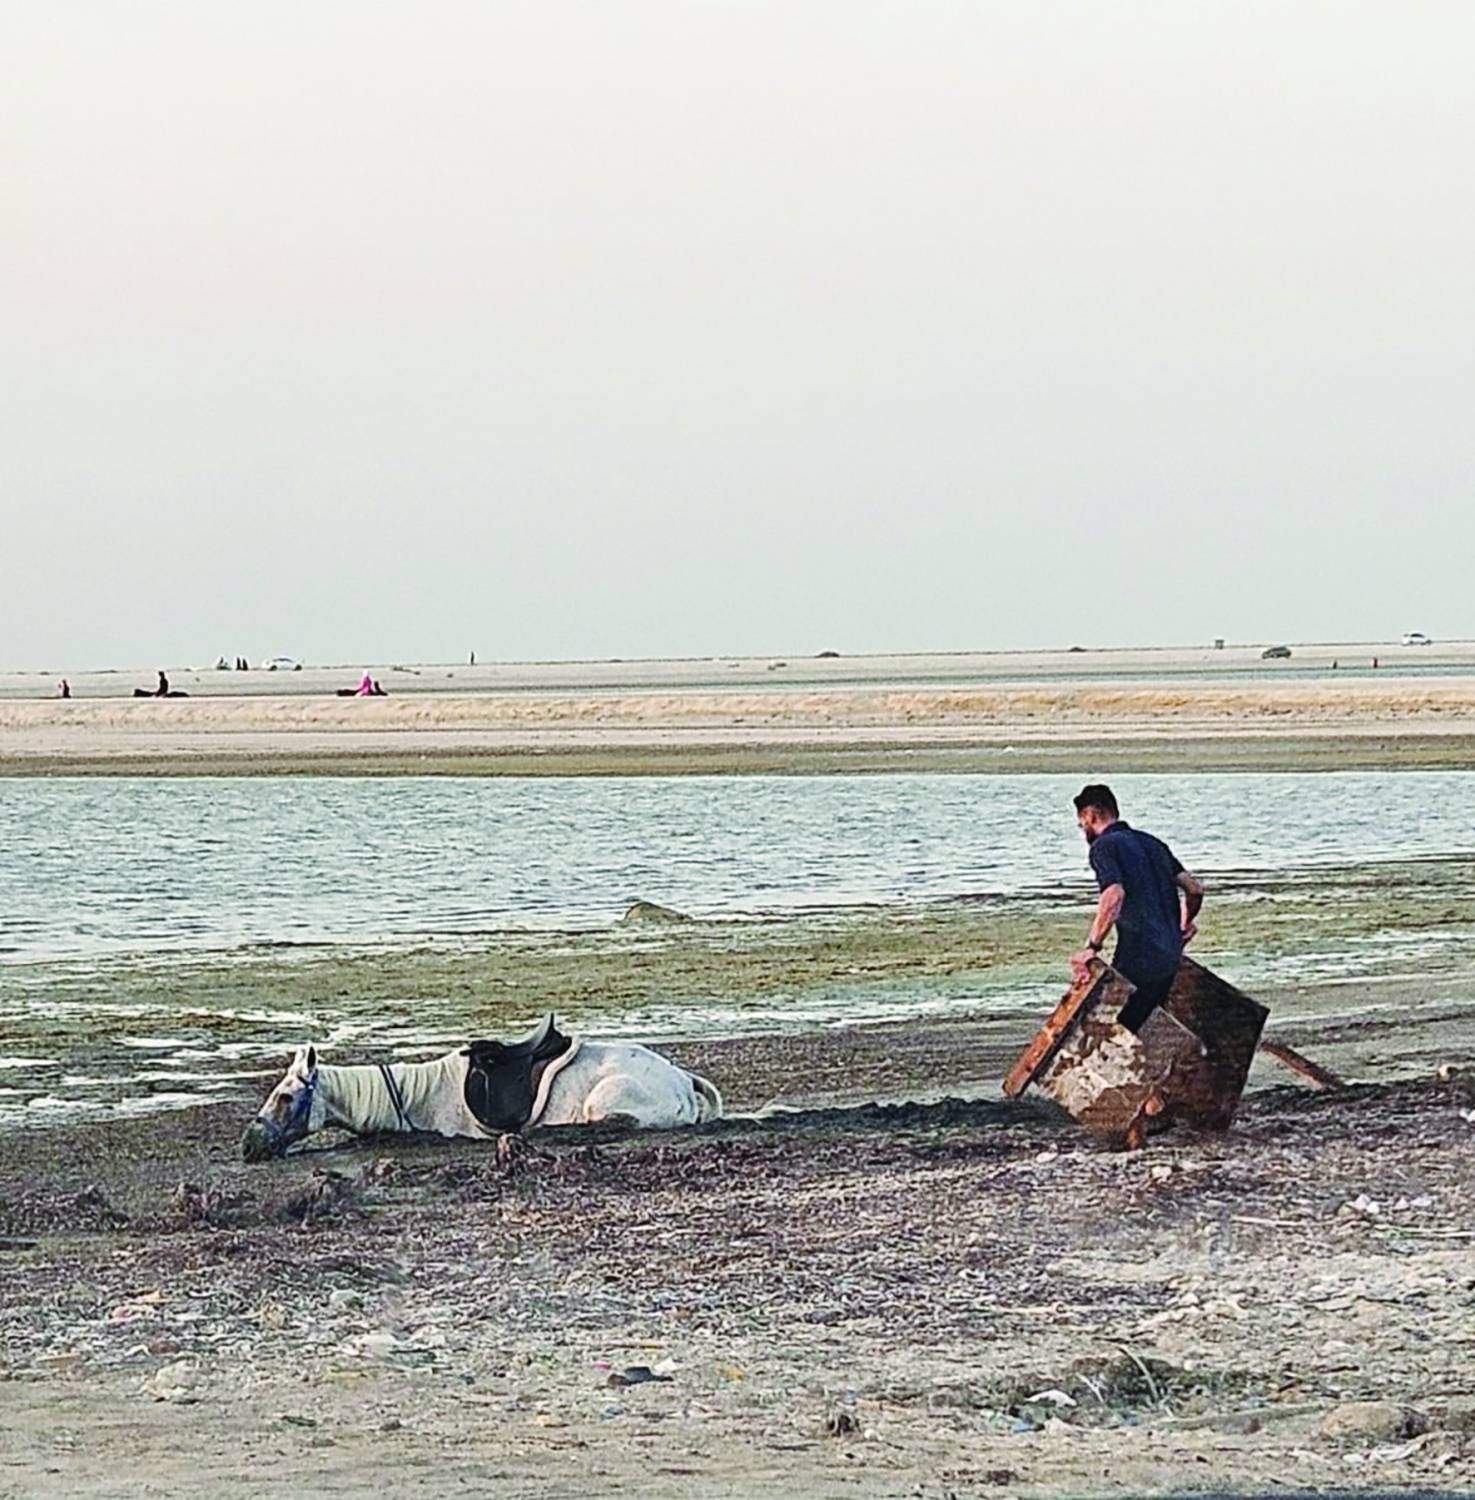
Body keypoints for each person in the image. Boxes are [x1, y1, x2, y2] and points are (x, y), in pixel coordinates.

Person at [1069, 784, 1204, 1033]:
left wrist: (1092, 948)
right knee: (1137, 1030)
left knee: (1112, 1032)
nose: (1082, 829)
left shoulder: (1104, 846)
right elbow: (1194, 889)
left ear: (1090, 815)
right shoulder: (1153, 844)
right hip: (1169, 960)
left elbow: (1113, 894)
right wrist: (1184, 924)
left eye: (1081, 823)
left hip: (1139, 958)